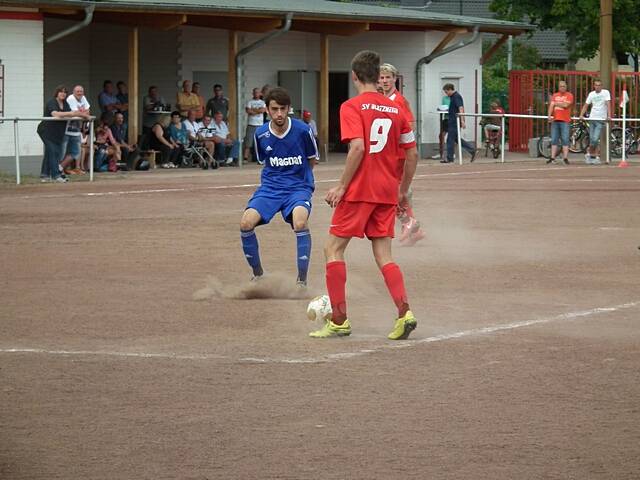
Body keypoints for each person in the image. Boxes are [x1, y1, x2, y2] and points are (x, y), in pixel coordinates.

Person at [309, 50, 419, 340]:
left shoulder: (351, 106)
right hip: (386, 192)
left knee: (333, 249)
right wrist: (403, 191)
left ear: (355, 76)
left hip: (360, 190)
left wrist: (342, 185)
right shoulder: (398, 109)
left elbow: (357, 147)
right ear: (378, 77)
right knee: (384, 255)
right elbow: (413, 154)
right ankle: (404, 312)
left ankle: (339, 320)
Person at [239, 86, 318, 286]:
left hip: (298, 188)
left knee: (300, 222)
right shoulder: (261, 134)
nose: (279, 114)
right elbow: (264, 161)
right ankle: (258, 275)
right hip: (270, 188)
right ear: (267, 110)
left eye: (283, 108)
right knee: (246, 223)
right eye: (274, 109)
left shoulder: (303, 130)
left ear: (289, 108)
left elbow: (311, 159)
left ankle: (301, 281)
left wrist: (303, 182)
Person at [379, 62, 426, 247]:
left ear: (394, 79)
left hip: (397, 155)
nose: (385, 81)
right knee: (394, 192)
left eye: (388, 77)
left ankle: (409, 222)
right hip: (387, 154)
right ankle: (414, 230)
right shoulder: (381, 99)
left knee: (391, 192)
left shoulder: (398, 101)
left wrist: (396, 142)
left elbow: (409, 126)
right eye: (382, 78)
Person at [37, 85, 90, 182]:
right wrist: (72, 113)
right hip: (45, 131)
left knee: (50, 152)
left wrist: (79, 114)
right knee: (54, 151)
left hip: (56, 132)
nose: (63, 93)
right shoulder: (52, 102)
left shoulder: (65, 104)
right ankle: (56, 175)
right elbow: (56, 114)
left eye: (65, 92)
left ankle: (44, 175)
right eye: (61, 91)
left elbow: (74, 113)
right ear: (57, 93)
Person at [443, 83, 477, 163]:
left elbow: (461, 108)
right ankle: (472, 150)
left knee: (450, 139)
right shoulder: (453, 97)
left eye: (446, 92)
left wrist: (462, 120)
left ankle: (450, 158)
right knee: (456, 139)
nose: (446, 94)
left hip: (455, 121)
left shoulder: (456, 96)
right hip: (453, 121)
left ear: (450, 89)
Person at [579, 79, 611, 165]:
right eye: (596, 85)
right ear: (594, 86)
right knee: (592, 138)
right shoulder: (591, 94)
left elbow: (608, 104)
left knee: (595, 139)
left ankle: (589, 153)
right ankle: (593, 156)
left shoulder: (606, 93)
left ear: (602, 86)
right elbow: (586, 105)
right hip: (592, 118)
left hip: (600, 119)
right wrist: (581, 115)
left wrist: (609, 115)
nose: (598, 87)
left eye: (599, 85)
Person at [61, 84, 90, 175]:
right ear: (73, 92)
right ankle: (60, 169)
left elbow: (88, 110)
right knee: (63, 151)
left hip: (76, 128)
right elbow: (75, 113)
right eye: (77, 91)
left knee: (76, 150)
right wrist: (83, 114)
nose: (79, 93)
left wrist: (82, 113)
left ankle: (76, 168)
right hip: (66, 128)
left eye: (81, 91)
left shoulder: (83, 98)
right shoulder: (70, 98)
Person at [547, 80, 574, 165]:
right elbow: (551, 106)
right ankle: (552, 157)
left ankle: (565, 158)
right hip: (555, 120)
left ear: (566, 87)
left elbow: (566, 105)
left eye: (564, 86)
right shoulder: (555, 95)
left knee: (565, 139)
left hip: (565, 120)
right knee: (554, 139)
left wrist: (556, 103)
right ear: (558, 87)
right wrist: (549, 115)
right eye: (561, 86)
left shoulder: (569, 95)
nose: (562, 88)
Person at [244, 87, 266, 163]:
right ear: (253, 93)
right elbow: (248, 111)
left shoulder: (262, 102)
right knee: (248, 142)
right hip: (251, 124)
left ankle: (260, 158)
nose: (256, 94)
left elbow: (263, 110)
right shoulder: (249, 102)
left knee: (260, 142)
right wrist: (258, 111)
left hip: (260, 125)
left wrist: (254, 110)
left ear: (260, 94)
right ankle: (245, 158)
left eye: (257, 92)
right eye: (255, 92)